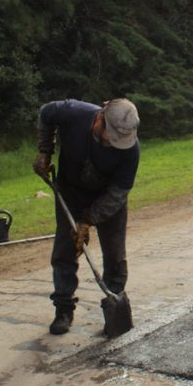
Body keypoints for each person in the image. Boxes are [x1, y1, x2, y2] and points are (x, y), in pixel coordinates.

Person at [32, 98, 140, 335]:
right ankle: (63, 308)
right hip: (70, 194)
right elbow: (46, 115)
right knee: (64, 251)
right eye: (110, 138)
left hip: (108, 201)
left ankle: (114, 307)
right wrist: (45, 150)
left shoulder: (130, 149)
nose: (114, 144)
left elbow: (118, 193)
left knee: (115, 256)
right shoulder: (73, 113)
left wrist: (88, 220)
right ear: (100, 119)